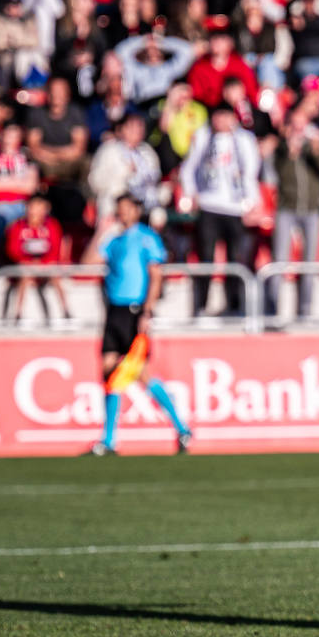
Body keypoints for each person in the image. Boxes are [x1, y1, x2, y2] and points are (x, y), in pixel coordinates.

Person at [82, 193, 192, 455]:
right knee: (109, 371)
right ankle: (108, 440)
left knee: (139, 373)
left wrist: (147, 311)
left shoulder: (146, 238)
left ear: (135, 210)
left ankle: (181, 427)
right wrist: (101, 231)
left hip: (134, 311)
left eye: (125, 209)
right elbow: (88, 262)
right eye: (118, 209)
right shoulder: (115, 239)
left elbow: (156, 275)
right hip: (114, 312)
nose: (122, 213)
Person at [179, 103, 261, 317]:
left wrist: (252, 201)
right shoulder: (203, 136)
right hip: (208, 205)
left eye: (225, 116)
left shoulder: (244, 140)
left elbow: (251, 171)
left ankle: (234, 306)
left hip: (235, 207)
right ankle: (201, 306)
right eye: (217, 116)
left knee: (236, 258)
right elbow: (189, 167)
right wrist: (191, 193)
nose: (221, 122)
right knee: (206, 258)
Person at [265, 108, 319, 320]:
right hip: (286, 208)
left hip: (312, 209)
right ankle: (272, 310)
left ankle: (305, 311)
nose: (298, 130)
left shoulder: (312, 147)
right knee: (279, 260)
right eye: (294, 125)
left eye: (302, 125)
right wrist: (289, 154)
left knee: (309, 263)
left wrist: (316, 151)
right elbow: (275, 174)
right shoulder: (281, 150)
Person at [26, 76, 90, 222]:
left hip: (68, 161)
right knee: (32, 163)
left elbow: (79, 147)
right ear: (47, 93)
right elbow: (33, 147)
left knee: (87, 162)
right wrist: (54, 156)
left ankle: (87, 204)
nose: (56, 95)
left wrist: (55, 155)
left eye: (60, 91)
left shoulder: (76, 113)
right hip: (45, 162)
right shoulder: (37, 114)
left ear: (67, 94)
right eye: (53, 91)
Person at [2, 193, 69, 322]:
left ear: (46, 208)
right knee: (25, 276)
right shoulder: (17, 226)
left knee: (55, 276)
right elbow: (12, 250)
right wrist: (27, 262)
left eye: (39, 206)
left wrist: (43, 263)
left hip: (46, 267)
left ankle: (65, 311)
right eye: (32, 206)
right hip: (25, 268)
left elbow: (56, 249)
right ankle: (18, 314)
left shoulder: (52, 225)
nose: (35, 211)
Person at [88, 112, 162, 226]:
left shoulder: (148, 153)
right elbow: (95, 181)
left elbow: (155, 178)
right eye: (131, 126)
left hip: (142, 202)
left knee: (159, 215)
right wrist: (124, 173)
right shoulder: (108, 150)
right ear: (120, 130)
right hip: (114, 201)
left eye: (139, 126)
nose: (137, 130)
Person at [0, 121, 38, 256]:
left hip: (22, 205)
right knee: (0, 219)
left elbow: (30, 187)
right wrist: (19, 183)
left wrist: (2, 181)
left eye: (14, 135)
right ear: (1, 135)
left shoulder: (27, 155)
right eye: (7, 135)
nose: (9, 139)